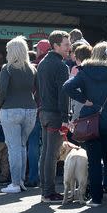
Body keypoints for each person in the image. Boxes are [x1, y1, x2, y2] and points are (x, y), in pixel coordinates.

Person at [63, 41, 107, 207]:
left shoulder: (85, 72)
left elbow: (67, 87)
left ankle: (96, 198)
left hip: (90, 120)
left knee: (94, 160)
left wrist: (84, 100)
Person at [0, 36, 38, 194]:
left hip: (10, 110)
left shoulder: (7, 68)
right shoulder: (33, 69)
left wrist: (0, 105)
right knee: (22, 146)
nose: (6, 52)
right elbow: (38, 91)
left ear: (12, 51)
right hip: (30, 110)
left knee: (13, 147)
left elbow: (2, 90)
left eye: (8, 50)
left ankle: (15, 183)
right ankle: (20, 181)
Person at [36, 30, 72, 203]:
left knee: (45, 153)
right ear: (56, 46)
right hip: (55, 114)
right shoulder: (61, 66)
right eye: (66, 44)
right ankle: (49, 193)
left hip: (43, 112)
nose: (70, 48)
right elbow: (63, 94)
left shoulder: (42, 63)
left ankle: (45, 190)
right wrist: (66, 117)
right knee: (52, 155)